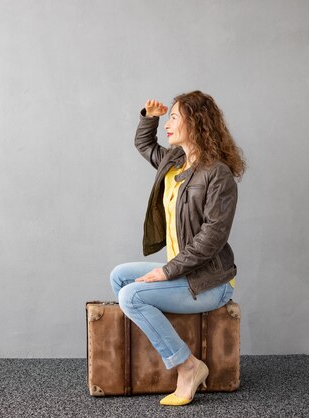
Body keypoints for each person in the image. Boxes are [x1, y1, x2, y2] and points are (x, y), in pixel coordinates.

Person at [109, 90, 246, 406]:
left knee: (131, 295)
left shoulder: (218, 174)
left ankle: (188, 367)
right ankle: (168, 353)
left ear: (195, 122)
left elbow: (213, 237)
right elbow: (144, 145)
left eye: (173, 117)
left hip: (210, 282)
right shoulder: (174, 161)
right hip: (184, 272)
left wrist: (165, 271)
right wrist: (150, 119)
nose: (168, 123)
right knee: (120, 277)